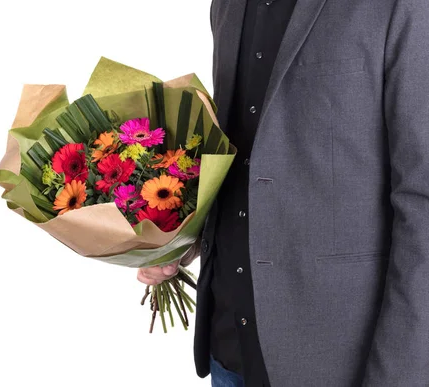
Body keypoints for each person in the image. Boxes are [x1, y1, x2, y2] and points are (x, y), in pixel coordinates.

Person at [137, 0, 429, 385]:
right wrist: (175, 240)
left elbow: (421, 199)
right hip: (228, 347)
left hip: (338, 362)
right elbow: (245, 156)